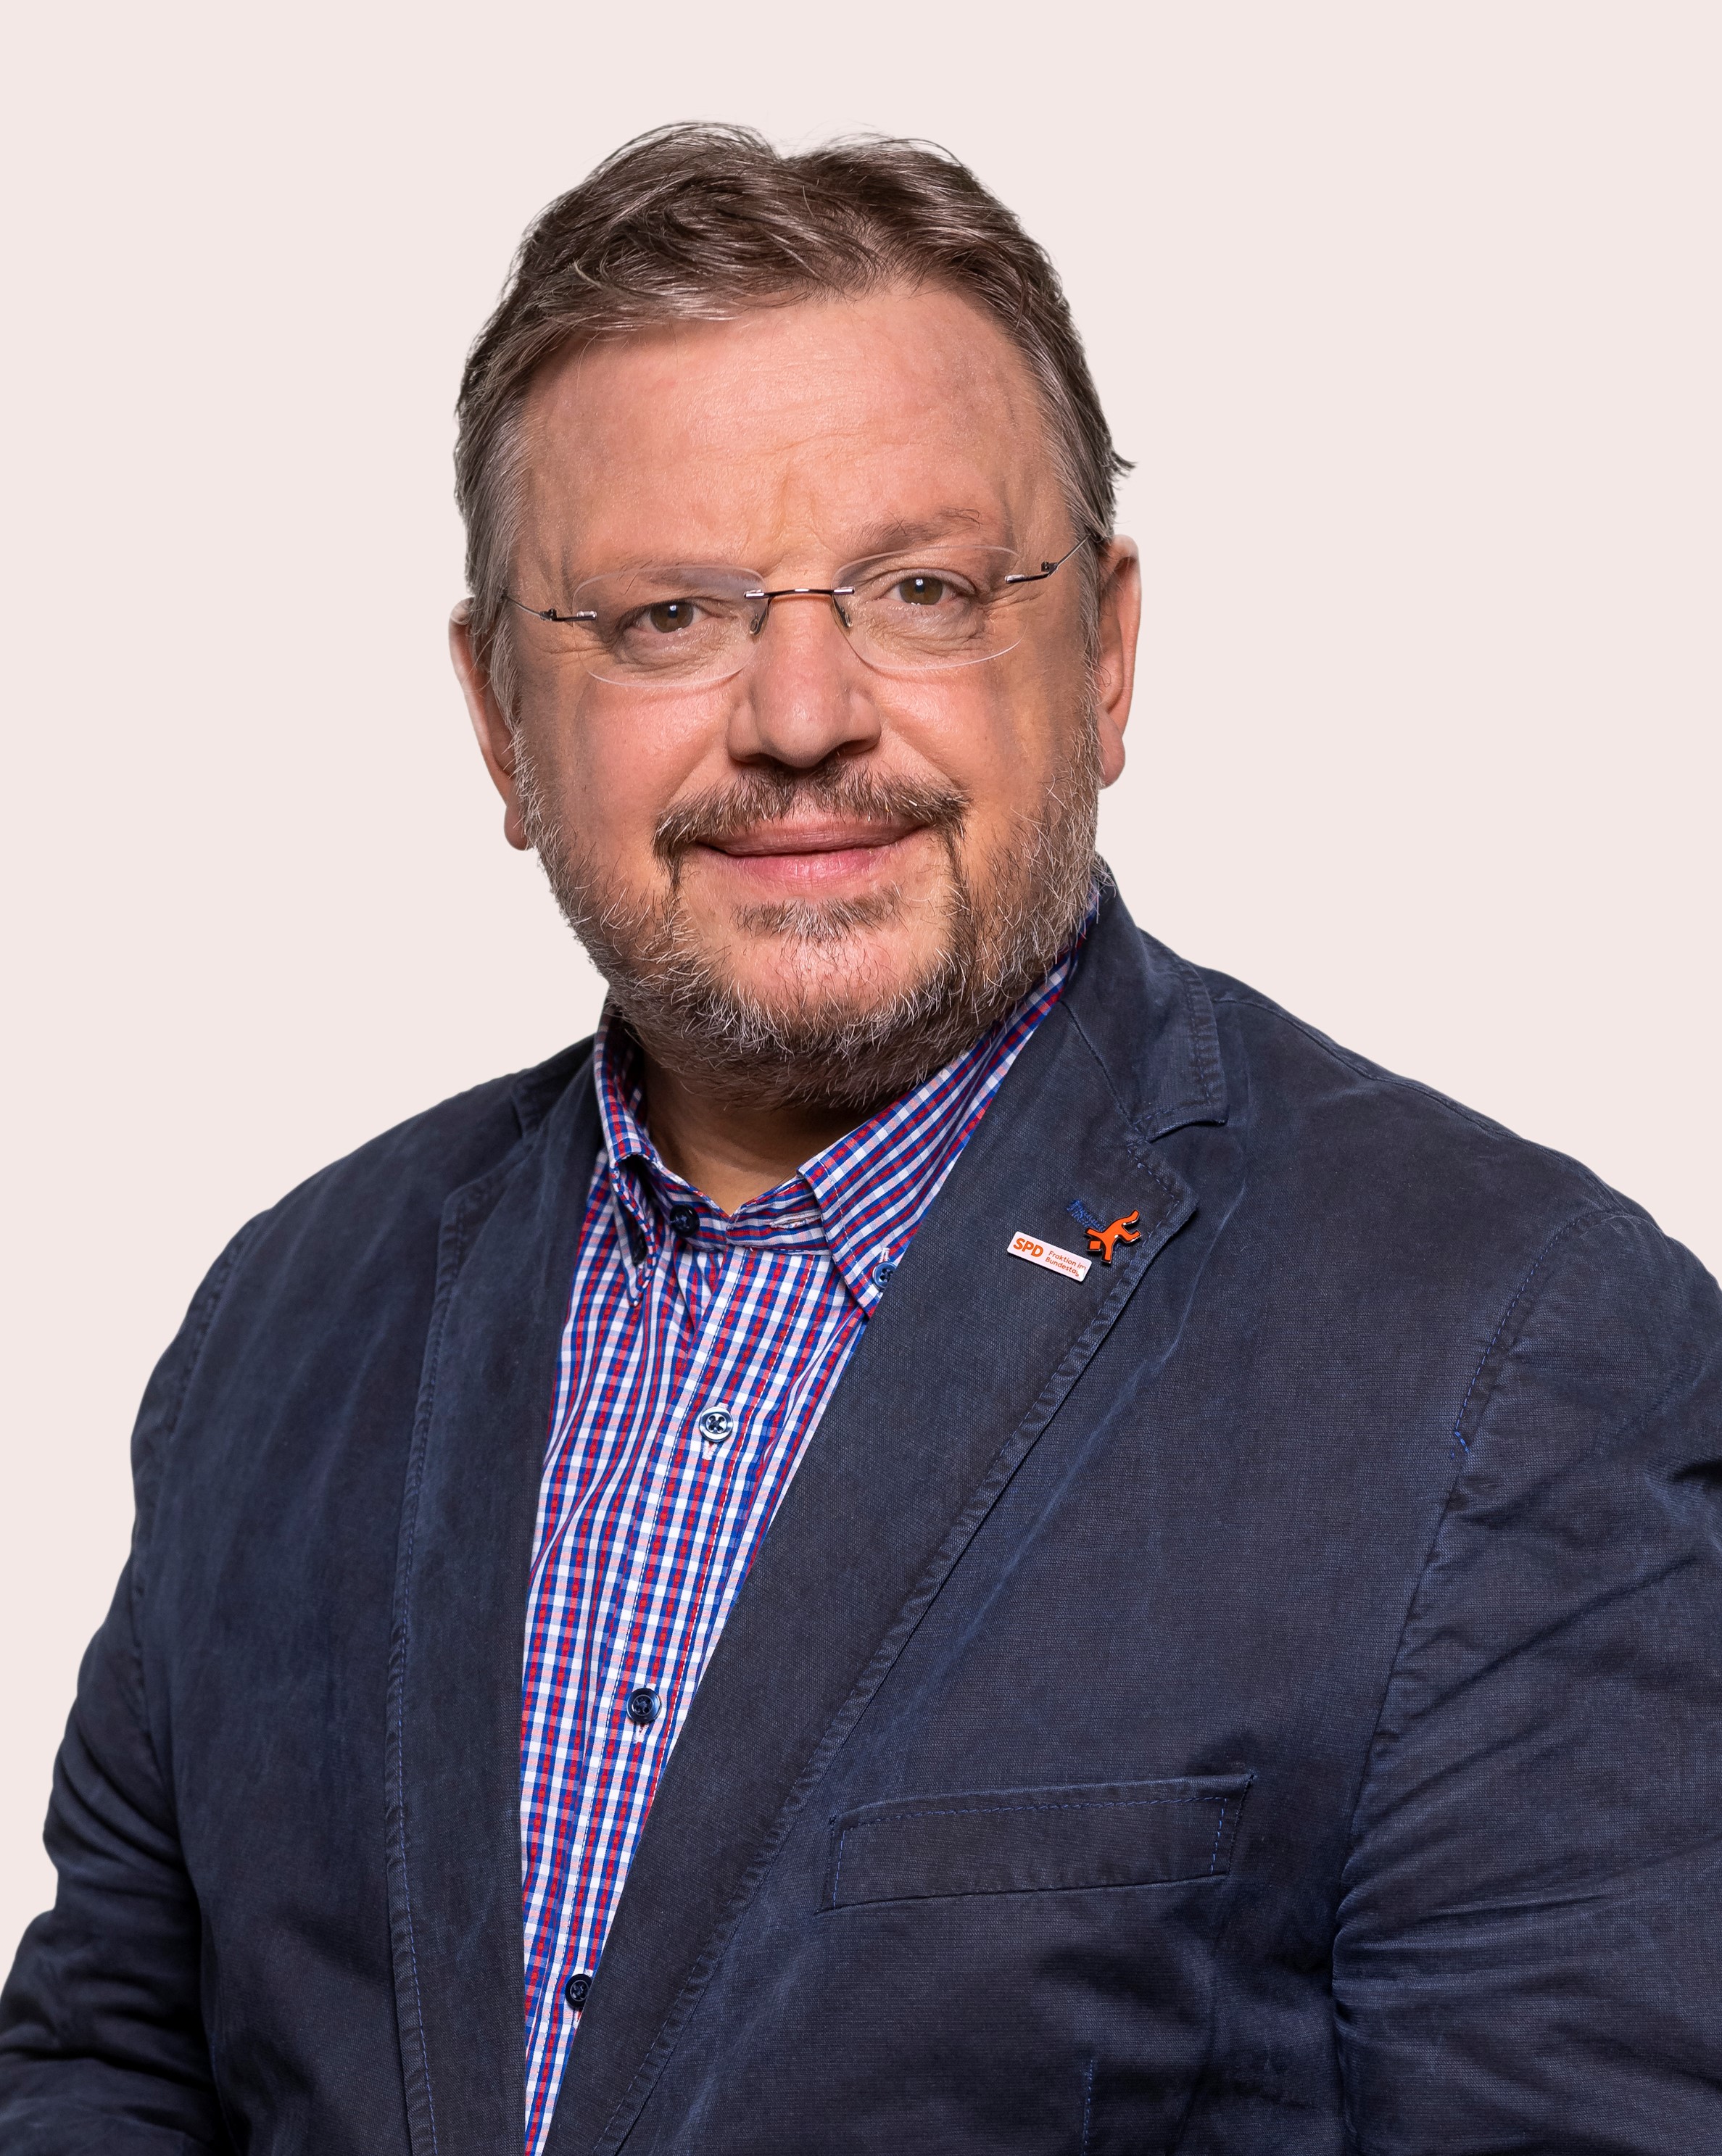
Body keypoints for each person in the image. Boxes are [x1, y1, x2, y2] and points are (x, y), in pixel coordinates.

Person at [3, 123, 1719, 2156]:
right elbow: (111, 2070)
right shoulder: (291, 1317)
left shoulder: (1507, 1352)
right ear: (497, 717)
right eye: (668, 614)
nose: (803, 713)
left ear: (1105, 655)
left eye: (922, 590)